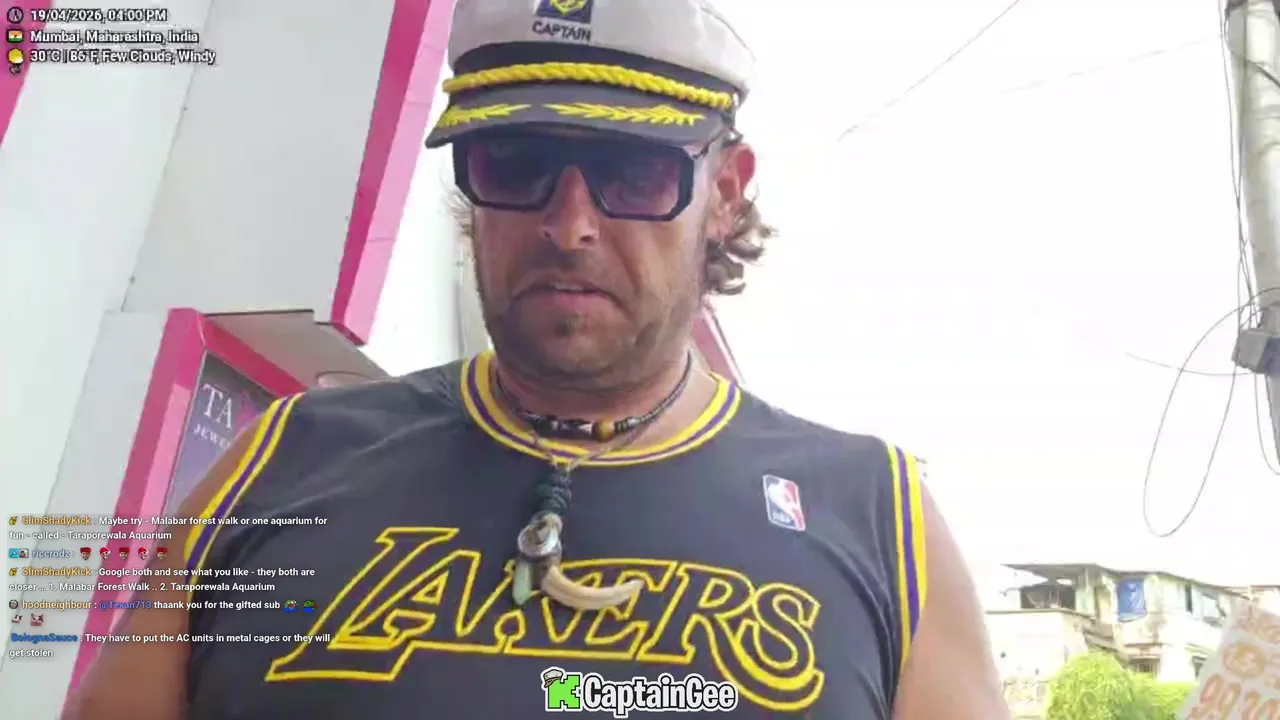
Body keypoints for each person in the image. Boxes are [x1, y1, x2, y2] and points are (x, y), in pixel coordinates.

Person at [66, 0, 1007, 717]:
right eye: (515, 165)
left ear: (725, 192)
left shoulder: (877, 517)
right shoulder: (278, 464)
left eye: (633, 171)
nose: (569, 225)